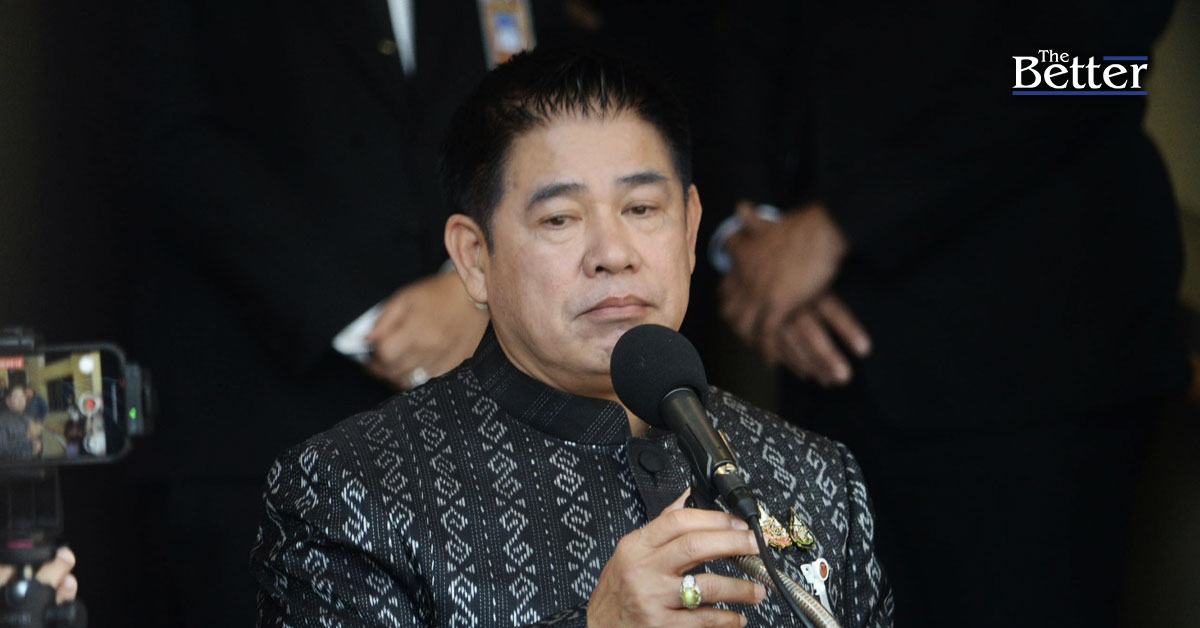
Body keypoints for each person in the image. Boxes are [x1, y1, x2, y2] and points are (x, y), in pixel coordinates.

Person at [252, 47, 892, 627]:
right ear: (474, 257)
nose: (613, 253)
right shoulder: (353, 489)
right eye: (560, 218)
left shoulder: (812, 473)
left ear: (691, 228)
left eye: (642, 209)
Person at [709, 2, 1191, 626]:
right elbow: (750, 34)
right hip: (815, 348)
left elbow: (1098, 63)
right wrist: (750, 236)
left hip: (1034, 363)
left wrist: (841, 224)